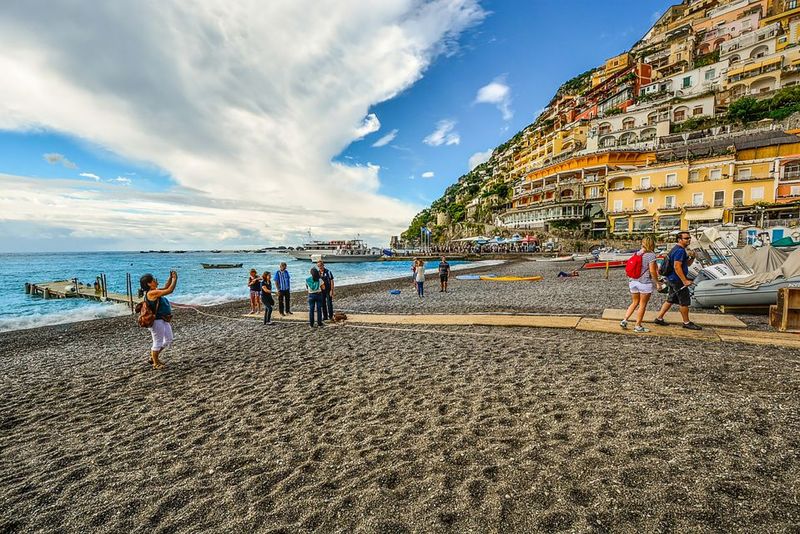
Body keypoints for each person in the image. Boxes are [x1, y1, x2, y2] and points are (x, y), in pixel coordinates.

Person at [654, 231, 702, 330]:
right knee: (684, 301)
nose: (689, 239)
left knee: (670, 299)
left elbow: (686, 264)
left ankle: (659, 318)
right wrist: (684, 280)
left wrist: (692, 257)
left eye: (689, 238)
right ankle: (686, 322)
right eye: (686, 238)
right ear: (679, 239)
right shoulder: (679, 250)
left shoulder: (677, 249)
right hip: (677, 280)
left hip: (672, 279)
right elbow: (677, 266)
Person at [620, 236, 662, 333]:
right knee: (642, 304)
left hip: (633, 281)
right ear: (652, 244)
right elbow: (652, 271)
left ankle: (624, 320)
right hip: (644, 283)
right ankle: (638, 326)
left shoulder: (637, 253)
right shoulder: (651, 255)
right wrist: (657, 283)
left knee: (634, 302)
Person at [139, 271, 177, 369]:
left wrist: (170, 278)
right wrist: (175, 279)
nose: (156, 281)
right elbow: (170, 290)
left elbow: (165, 288)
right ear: (149, 283)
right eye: (154, 280)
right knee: (157, 342)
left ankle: (153, 357)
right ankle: (155, 363)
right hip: (156, 321)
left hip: (163, 319)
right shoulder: (151, 293)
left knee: (169, 339)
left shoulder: (154, 291)